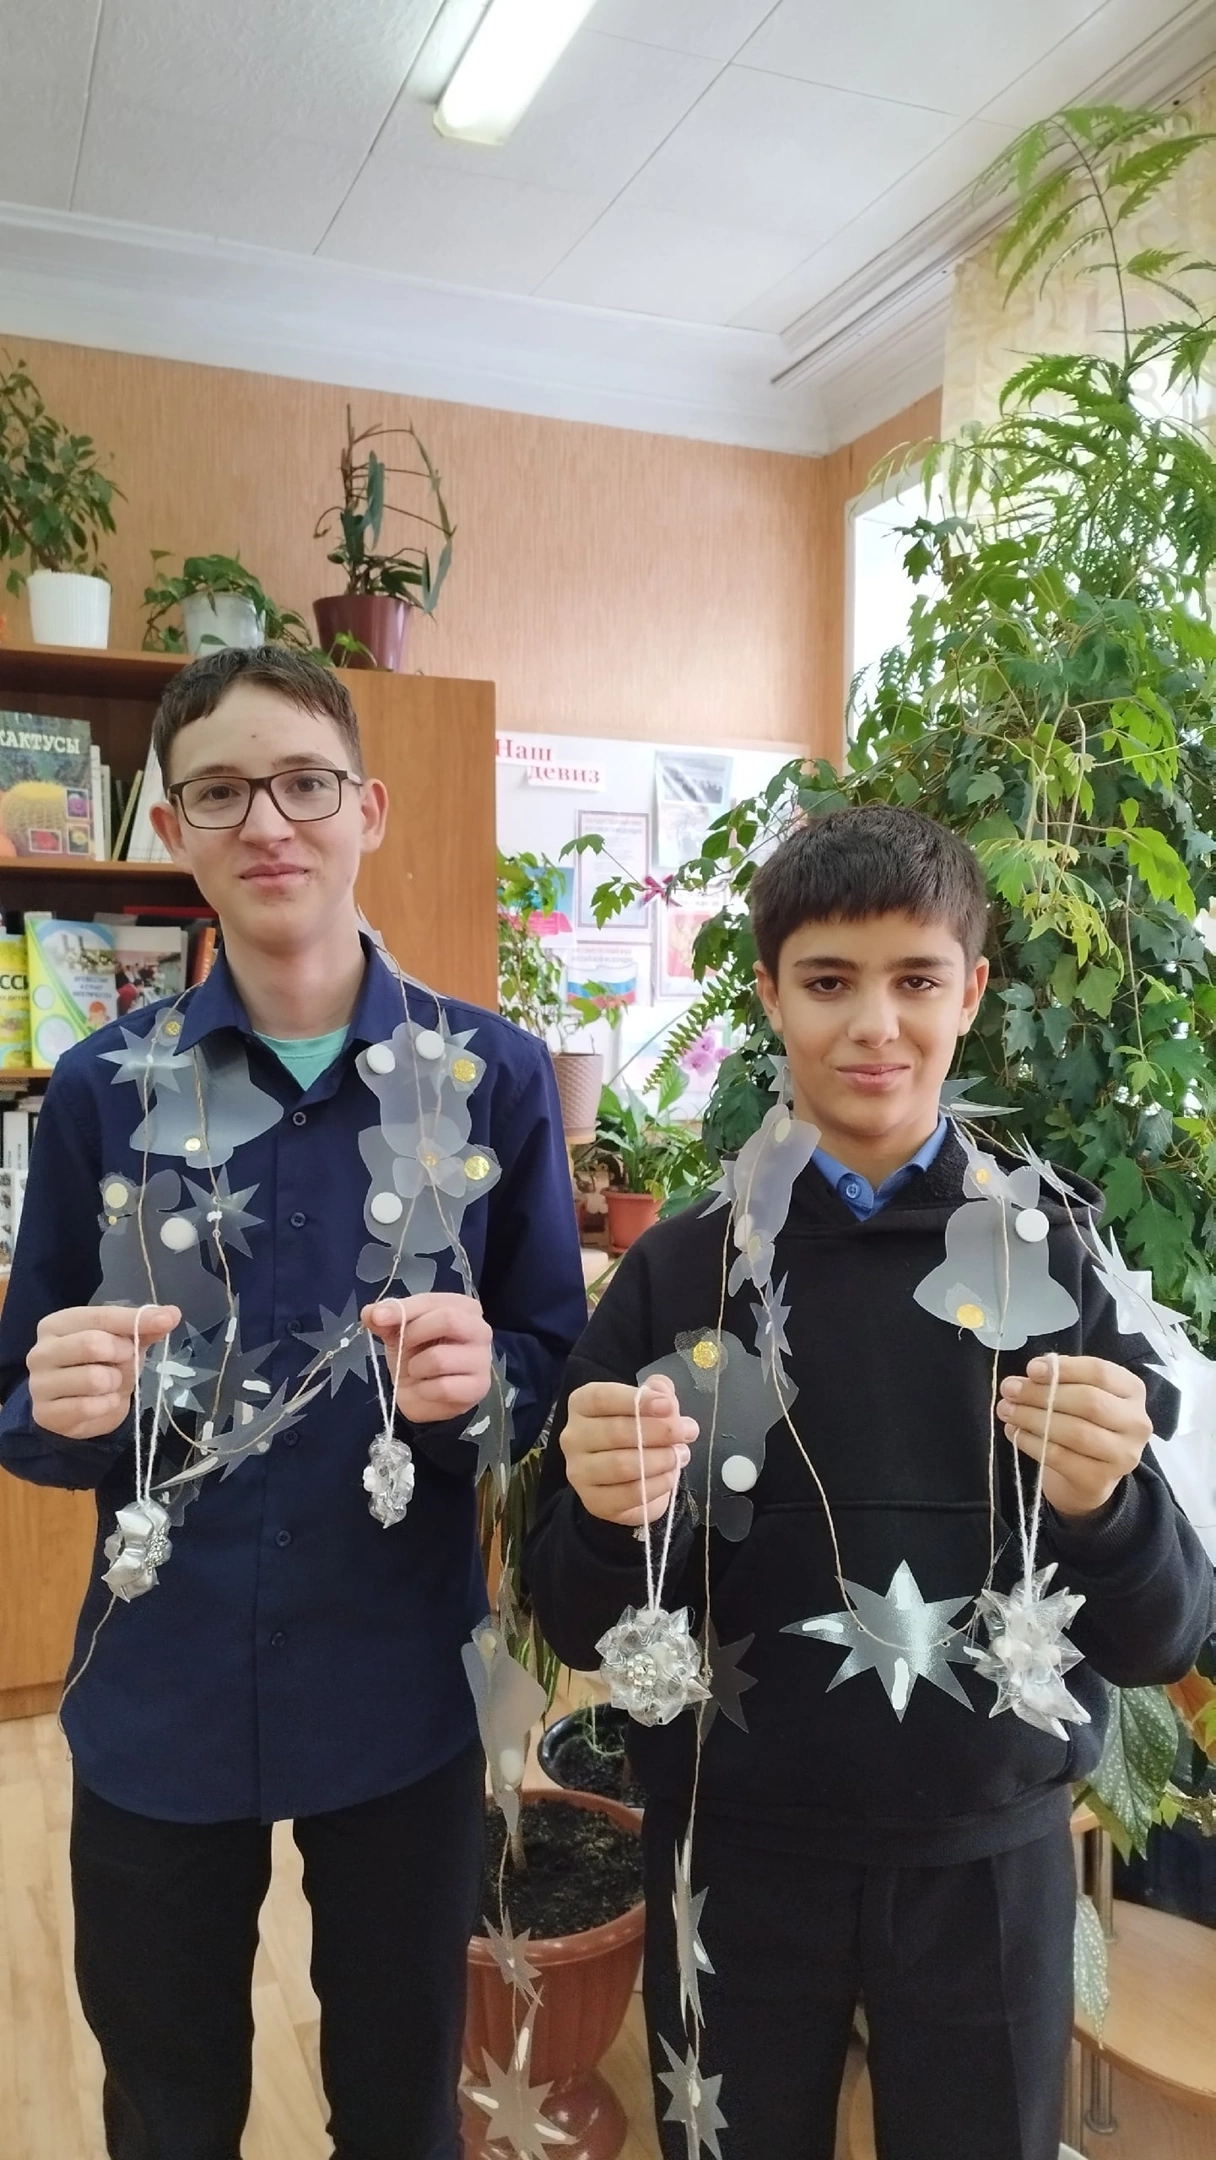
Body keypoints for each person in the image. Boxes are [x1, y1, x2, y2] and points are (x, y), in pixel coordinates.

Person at [524, 804, 1216, 2160]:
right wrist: (605, 1517)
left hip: (990, 1861)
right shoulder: (679, 1274)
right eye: (830, 981)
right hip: (731, 1853)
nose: (874, 1025)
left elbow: (1163, 1635)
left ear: (973, 991)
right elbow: (575, 1620)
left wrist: (1108, 1506)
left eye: (915, 979)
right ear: (770, 994)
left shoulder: (1054, 1266)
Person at [0, 646, 587, 2160]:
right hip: (161, 1688)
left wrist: (487, 1388)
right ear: (174, 830)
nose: (267, 822)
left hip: (400, 1691)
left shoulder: (493, 1079)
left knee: (401, 2107)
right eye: (220, 792)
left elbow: (554, 1377)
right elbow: (22, 1402)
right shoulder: (101, 1091)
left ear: (366, 809)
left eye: (305, 784)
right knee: (168, 2107)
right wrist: (56, 1405)